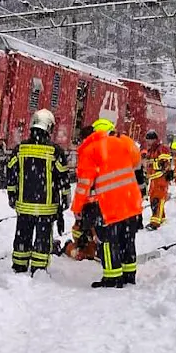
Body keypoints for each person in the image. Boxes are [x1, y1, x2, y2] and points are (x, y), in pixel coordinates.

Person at [71, 118, 144, 288]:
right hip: (130, 200)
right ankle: (128, 275)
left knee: (107, 241)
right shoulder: (125, 142)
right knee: (127, 239)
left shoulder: (90, 149)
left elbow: (84, 184)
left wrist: (77, 207)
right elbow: (136, 165)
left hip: (108, 205)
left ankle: (112, 278)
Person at [5, 109, 70, 276]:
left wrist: (12, 196)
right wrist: (65, 200)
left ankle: (19, 266)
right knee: (42, 239)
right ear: (49, 127)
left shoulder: (20, 149)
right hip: (46, 207)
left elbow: (11, 174)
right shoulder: (55, 151)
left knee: (22, 236)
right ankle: (38, 269)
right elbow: (63, 178)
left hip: (24, 205)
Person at [144, 130, 174, 230]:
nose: (148, 142)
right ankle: (161, 218)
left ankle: (155, 222)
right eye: (147, 140)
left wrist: (154, 165)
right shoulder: (151, 150)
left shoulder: (161, 148)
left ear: (155, 140)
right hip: (154, 178)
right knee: (153, 199)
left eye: (150, 140)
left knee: (157, 200)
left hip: (160, 178)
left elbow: (164, 163)